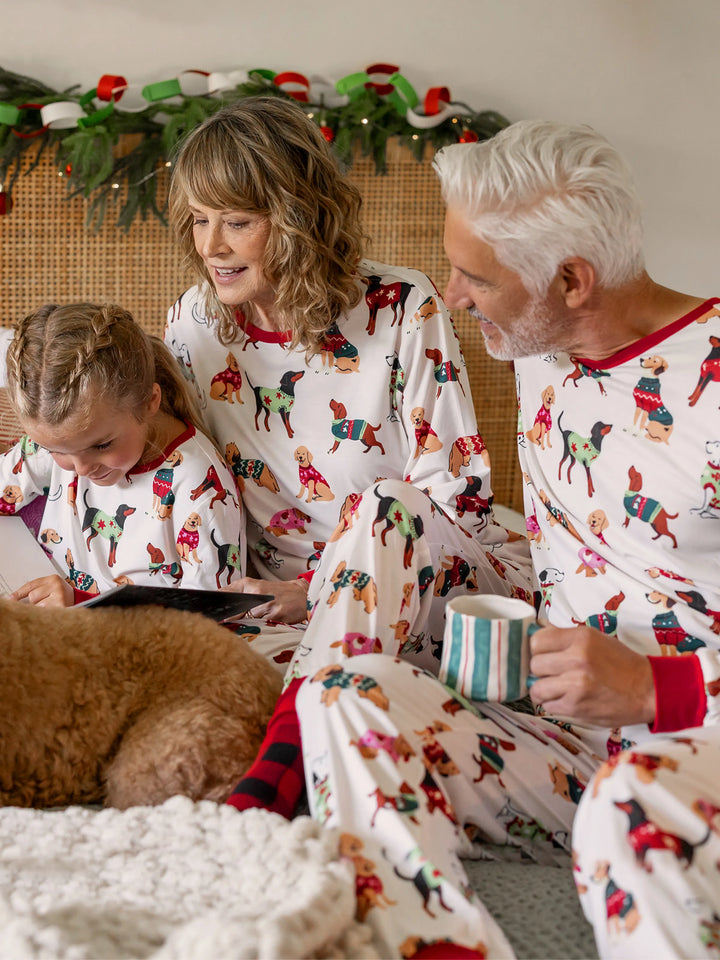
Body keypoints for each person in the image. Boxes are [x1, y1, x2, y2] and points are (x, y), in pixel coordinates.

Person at [238, 120, 719, 960]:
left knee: (631, 801)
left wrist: (658, 689)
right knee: (341, 690)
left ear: (573, 280)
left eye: (476, 278)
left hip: (689, 738)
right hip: (563, 731)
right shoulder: (538, 347)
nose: (453, 297)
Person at [1, 302, 245, 605]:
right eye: (55, 451)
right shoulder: (66, 437)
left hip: (136, 642)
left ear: (149, 401)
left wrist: (77, 602)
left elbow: (212, 616)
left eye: (102, 446)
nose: (80, 469)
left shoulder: (198, 487)